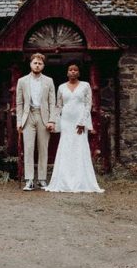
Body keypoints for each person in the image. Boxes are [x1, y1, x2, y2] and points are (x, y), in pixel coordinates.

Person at [44, 63, 104, 193]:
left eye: (75, 70)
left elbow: (88, 104)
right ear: (67, 73)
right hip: (66, 121)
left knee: (79, 147)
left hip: (79, 121)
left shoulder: (85, 85)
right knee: (66, 147)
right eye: (70, 70)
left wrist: (83, 121)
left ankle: (80, 180)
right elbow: (58, 105)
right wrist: (53, 120)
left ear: (78, 73)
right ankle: (64, 180)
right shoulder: (61, 87)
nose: (73, 72)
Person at [15, 53, 56, 191]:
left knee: (43, 148)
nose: (37, 65)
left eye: (40, 63)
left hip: (43, 116)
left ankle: (42, 179)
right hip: (28, 116)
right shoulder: (22, 81)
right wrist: (19, 121)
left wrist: (52, 120)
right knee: (28, 148)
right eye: (35, 63)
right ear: (30, 64)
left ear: (43, 66)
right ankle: (29, 180)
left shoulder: (49, 81)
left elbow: (52, 102)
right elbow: (19, 103)